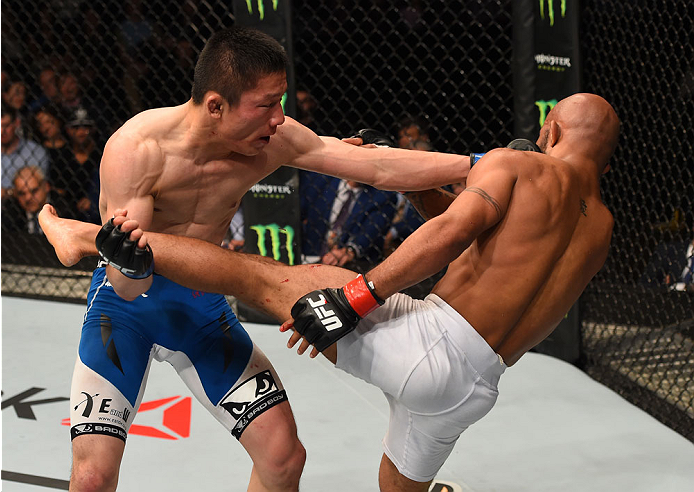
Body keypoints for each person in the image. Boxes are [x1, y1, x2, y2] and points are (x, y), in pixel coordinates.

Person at [39, 93, 620, 491]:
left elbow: (453, 232)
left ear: (552, 129)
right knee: (396, 487)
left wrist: (359, 296)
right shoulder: (601, 227)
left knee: (256, 276)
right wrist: (425, 192)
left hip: (427, 343)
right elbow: (488, 253)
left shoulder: (519, 166)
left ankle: (84, 236)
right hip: (475, 387)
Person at [36, 26, 472, 492]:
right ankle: (80, 236)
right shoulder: (137, 151)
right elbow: (127, 286)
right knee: (92, 478)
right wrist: (129, 264)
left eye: (280, 101)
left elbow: (378, 166)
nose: (279, 118)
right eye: (266, 105)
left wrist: (478, 163)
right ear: (215, 106)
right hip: (124, 310)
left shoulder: (271, 140)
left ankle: (78, 235)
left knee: (284, 458)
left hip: (200, 307)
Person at [300, 171, 398, 270]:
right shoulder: (320, 180)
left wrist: (350, 250)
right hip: (310, 256)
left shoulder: (383, 196)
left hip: (351, 266)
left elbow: (371, 231)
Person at [1, 103, 50, 201]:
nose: (2, 131)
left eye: (6, 125)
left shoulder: (35, 152)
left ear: (17, 123)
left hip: (27, 207)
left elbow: (35, 189)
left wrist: (8, 192)